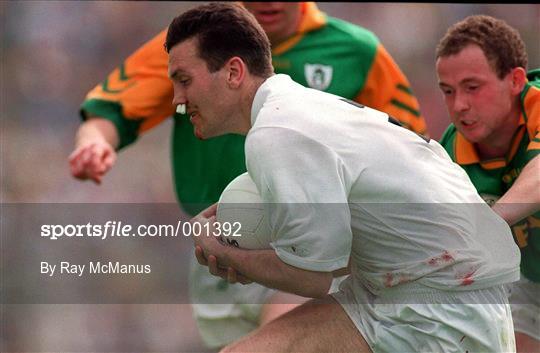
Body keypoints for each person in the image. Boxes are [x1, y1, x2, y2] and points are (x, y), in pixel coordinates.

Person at [68, 2, 428, 348]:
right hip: (216, 242)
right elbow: (115, 103)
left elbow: (407, 145)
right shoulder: (196, 44)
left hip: (305, 250)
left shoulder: (357, 50)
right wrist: (94, 141)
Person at [166, 3, 521, 352]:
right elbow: (339, 255)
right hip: (407, 290)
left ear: (233, 72)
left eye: (184, 80)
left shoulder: (278, 132)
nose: (177, 99)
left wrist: (225, 253)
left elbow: (312, 278)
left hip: (441, 311)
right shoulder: (295, 110)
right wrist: (259, 255)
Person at [436, 15, 540, 353]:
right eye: (448, 91)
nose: (459, 105)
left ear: (515, 80)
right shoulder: (451, 151)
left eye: (472, 87)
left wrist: (487, 223)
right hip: (530, 280)